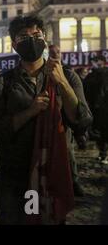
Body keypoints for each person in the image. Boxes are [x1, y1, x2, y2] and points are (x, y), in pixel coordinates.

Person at [0, 15, 92, 224]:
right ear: (14, 44)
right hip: (16, 177)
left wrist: (62, 83)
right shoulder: (2, 82)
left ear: (45, 39)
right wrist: (29, 112)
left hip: (53, 172)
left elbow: (82, 121)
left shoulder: (68, 76)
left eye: (36, 35)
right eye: (23, 37)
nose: (31, 40)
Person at [48, 44, 85, 196]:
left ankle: (73, 181)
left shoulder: (69, 74)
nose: (56, 54)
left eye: (58, 52)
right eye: (52, 52)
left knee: (68, 152)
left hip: (63, 120)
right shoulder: (42, 73)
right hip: (46, 118)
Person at [83, 55, 108, 164]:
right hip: (95, 109)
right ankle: (102, 153)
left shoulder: (105, 74)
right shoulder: (91, 76)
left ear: (102, 62)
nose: (94, 63)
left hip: (105, 108)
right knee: (99, 133)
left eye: (96, 61)